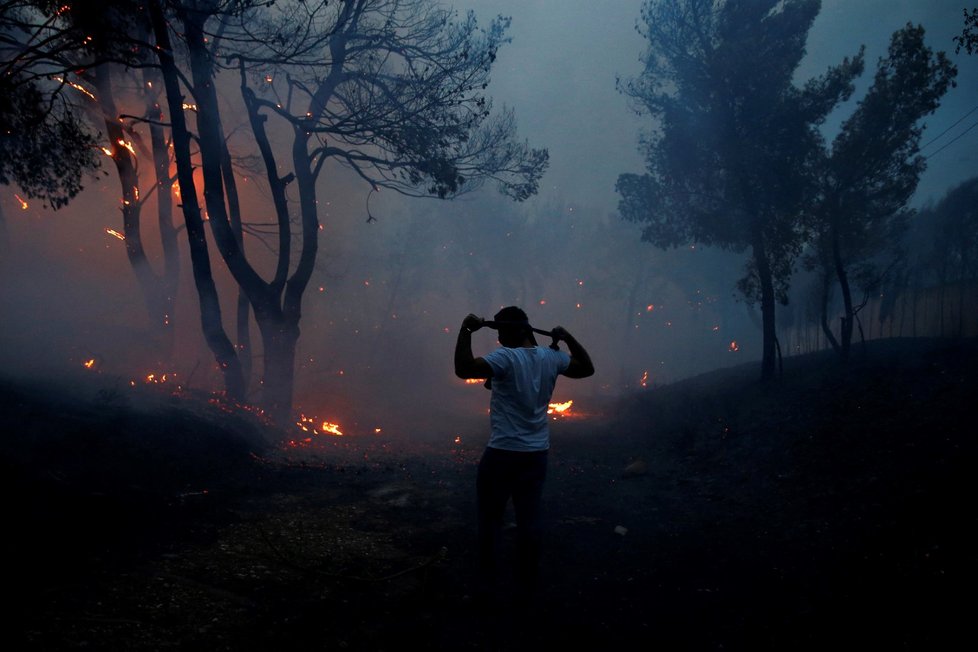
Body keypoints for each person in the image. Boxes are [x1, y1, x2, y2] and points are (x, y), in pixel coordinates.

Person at [454, 306, 594, 611]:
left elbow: (464, 369)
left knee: (490, 523)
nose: (501, 341)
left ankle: (487, 589)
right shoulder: (551, 357)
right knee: (529, 523)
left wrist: (466, 330)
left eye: (503, 334)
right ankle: (525, 591)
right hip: (535, 455)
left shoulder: (506, 358)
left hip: (502, 454)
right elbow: (586, 367)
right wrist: (567, 337)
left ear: (517, 331)